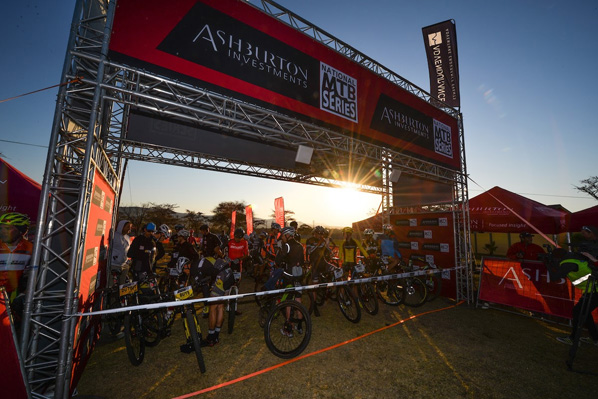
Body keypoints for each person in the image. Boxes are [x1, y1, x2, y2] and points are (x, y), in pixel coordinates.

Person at [547, 247, 598, 346]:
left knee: (578, 311)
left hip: (594, 291)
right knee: (584, 313)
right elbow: (561, 269)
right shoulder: (572, 260)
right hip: (592, 290)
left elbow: (554, 277)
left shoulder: (568, 264)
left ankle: (574, 339)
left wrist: (547, 264)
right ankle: (595, 338)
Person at [0, 212, 33, 302]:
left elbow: (33, 275)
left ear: (21, 230)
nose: (2, 231)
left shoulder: (30, 248)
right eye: (1, 228)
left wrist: (24, 293)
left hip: (14, 295)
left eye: (7, 228)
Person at [110, 219, 132, 286]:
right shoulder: (114, 235)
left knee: (122, 285)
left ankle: (119, 296)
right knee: (111, 284)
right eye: (128, 227)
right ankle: (111, 296)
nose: (129, 229)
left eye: (130, 227)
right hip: (114, 264)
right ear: (121, 226)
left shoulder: (128, 237)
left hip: (124, 265)